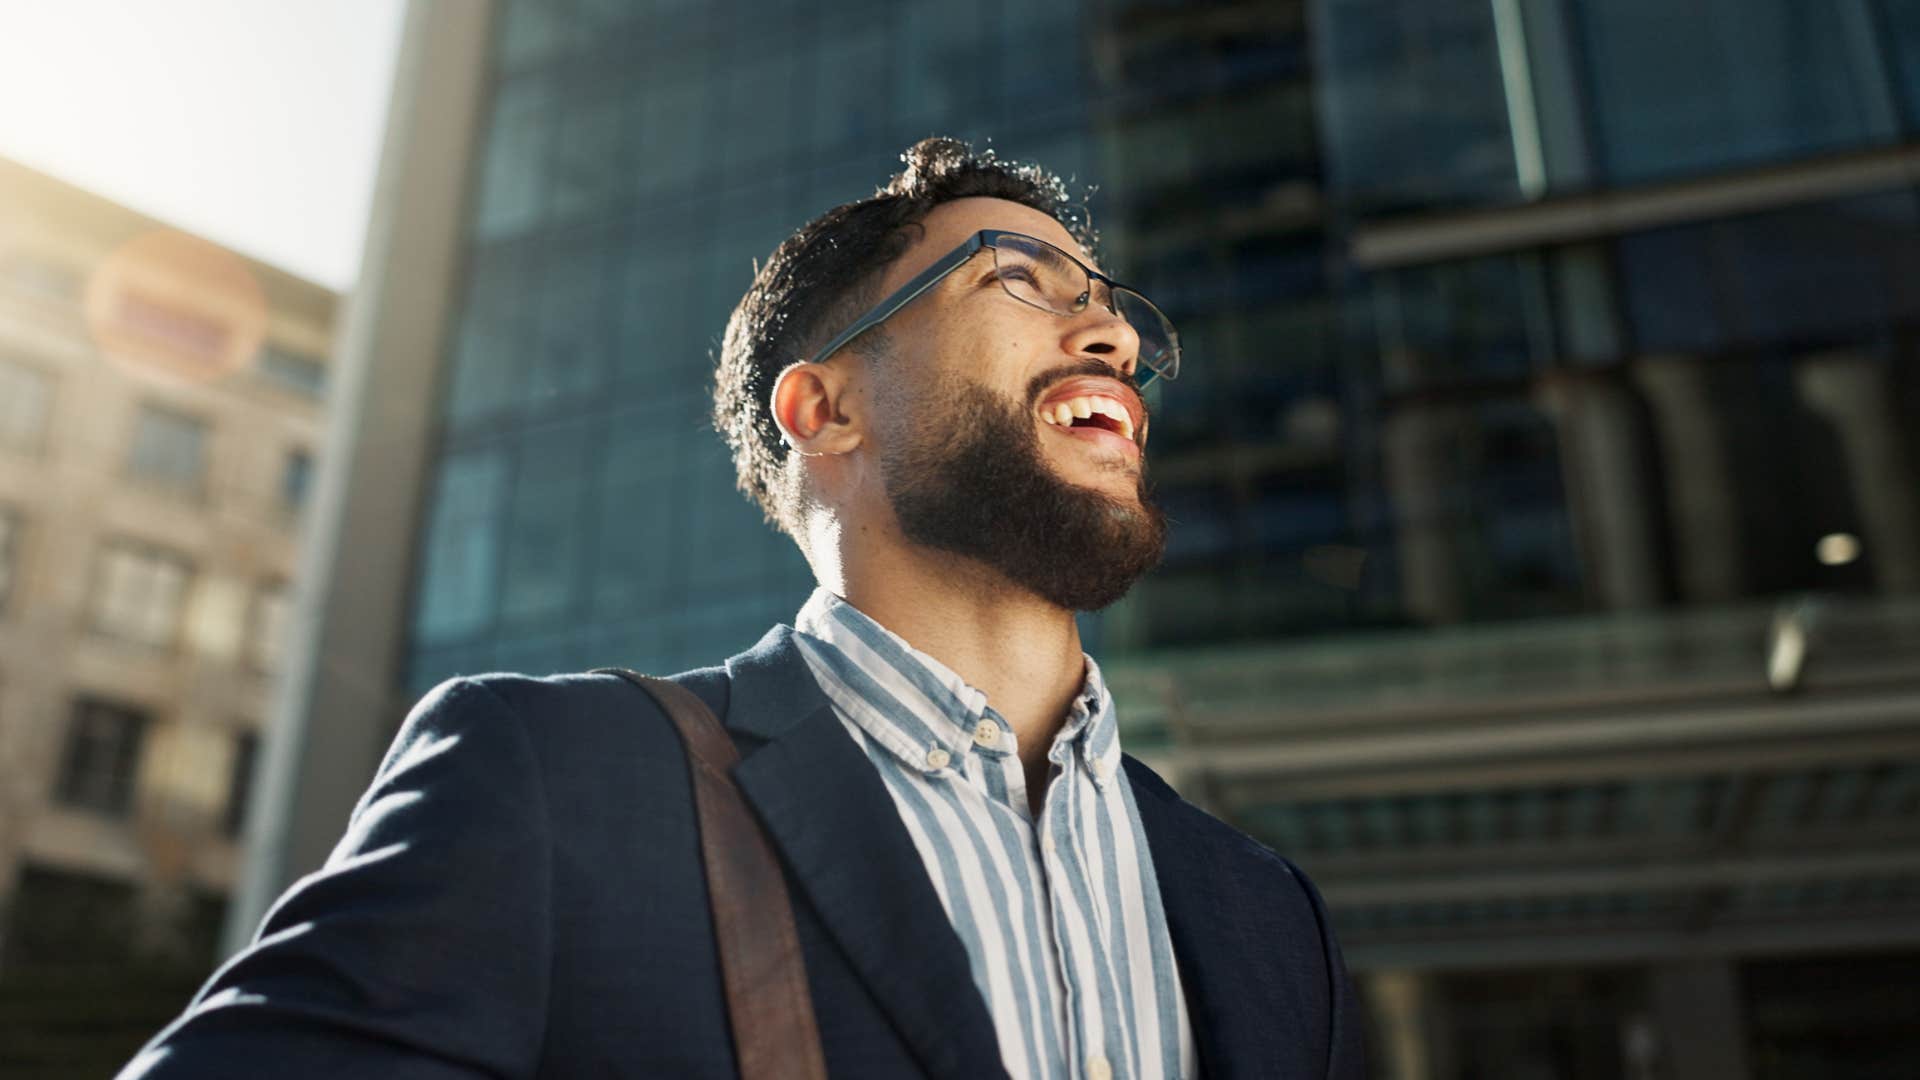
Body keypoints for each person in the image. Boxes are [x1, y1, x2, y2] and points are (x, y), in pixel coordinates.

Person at [121, 138, 1365, 1079]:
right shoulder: (552, 784)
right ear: (825, 410)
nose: (1112, 337)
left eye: (1112, 307)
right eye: (1024, 283)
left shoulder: (1265, 914)